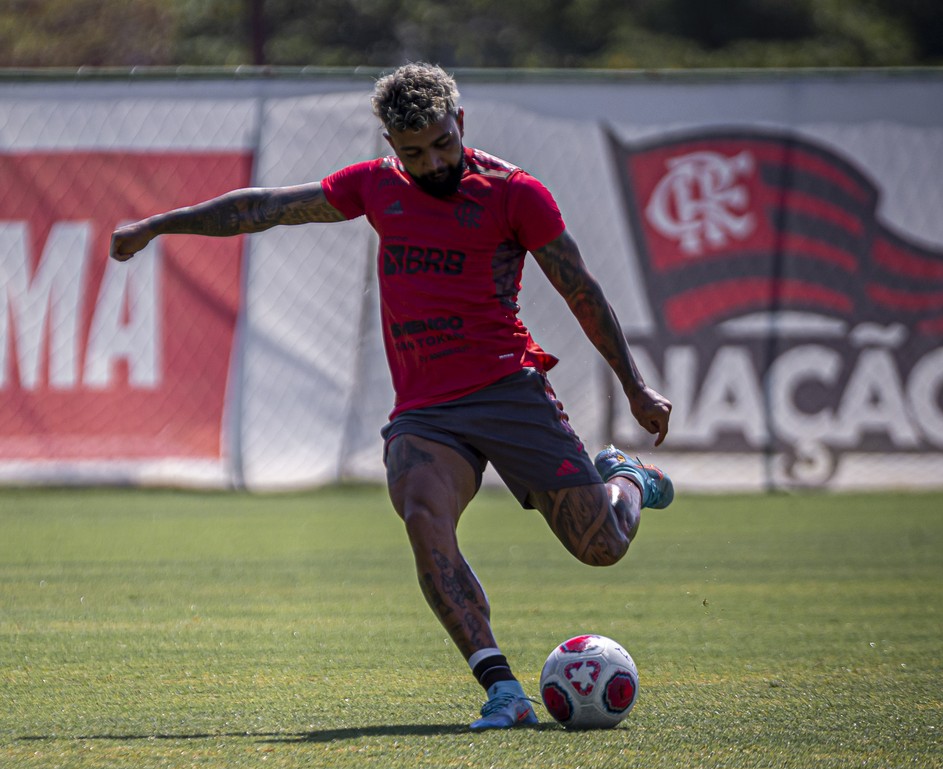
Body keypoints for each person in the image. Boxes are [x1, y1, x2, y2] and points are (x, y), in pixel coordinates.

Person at [110, 62, 674, 731]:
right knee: (420, 510)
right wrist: (156, 226)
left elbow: (580, 291)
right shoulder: (376, 188)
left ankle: (628, 478)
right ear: (390, 146)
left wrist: (634, 386)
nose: (432, 161)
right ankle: (501, 689)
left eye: (442, 143)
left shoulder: (515, 195)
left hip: (507, 389)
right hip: (428, 411)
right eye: (414, 152)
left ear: (460, 122)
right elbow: (263, 209)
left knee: (601, 548)